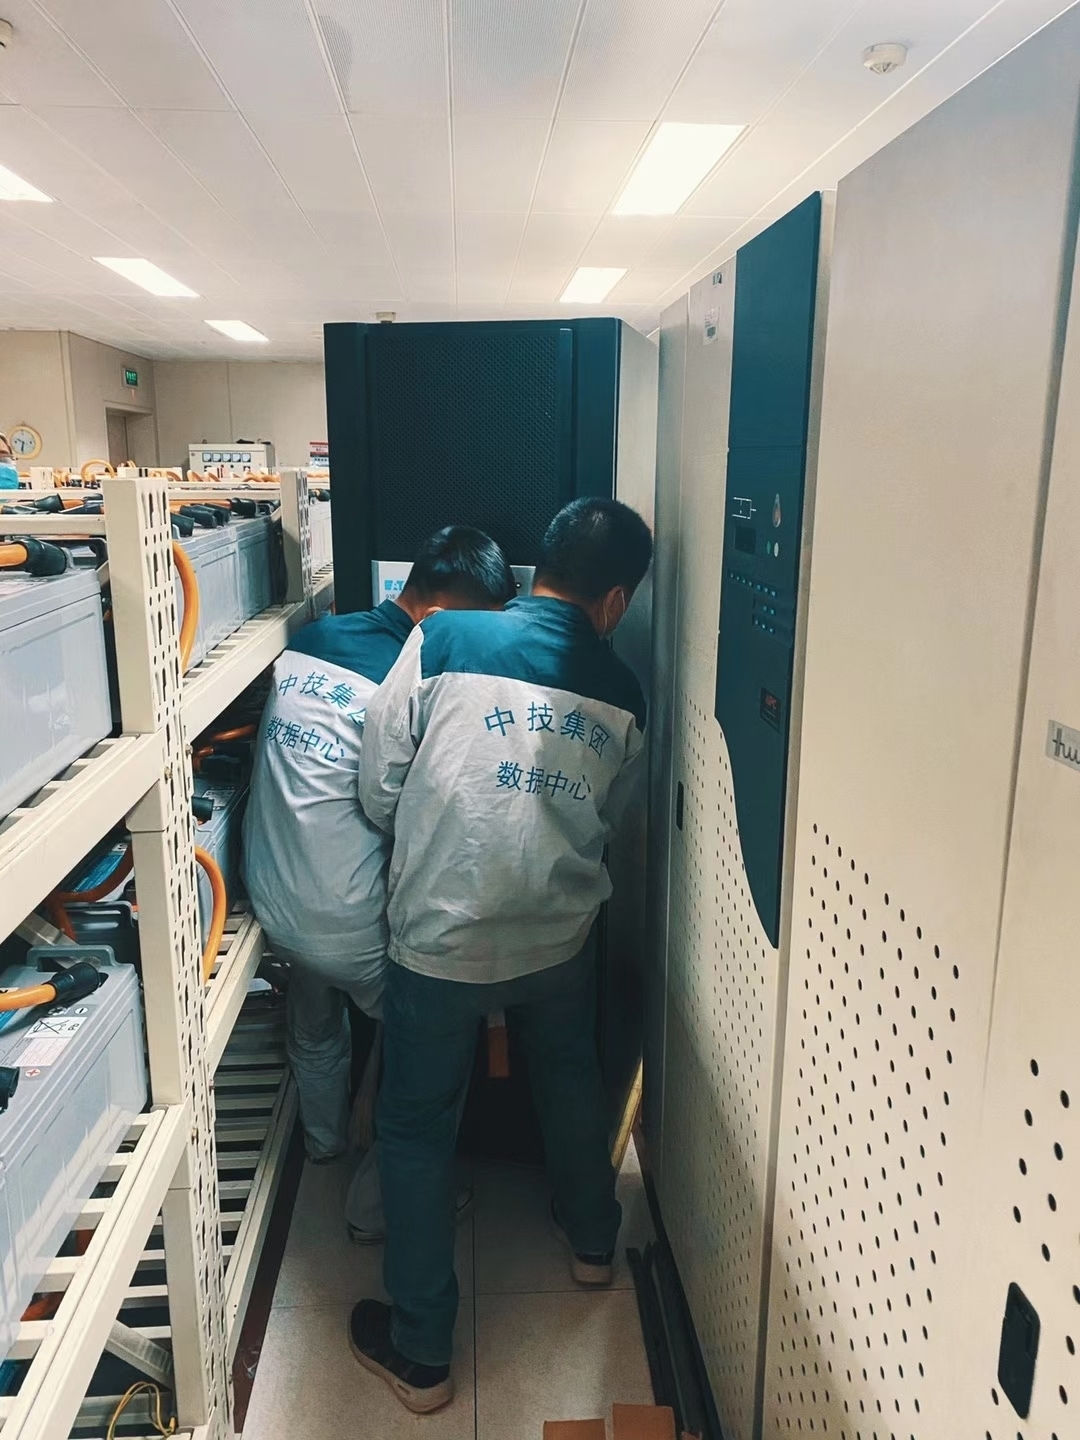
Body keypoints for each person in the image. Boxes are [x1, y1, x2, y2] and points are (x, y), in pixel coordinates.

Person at [351, 496, 652, 1413]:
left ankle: (422, 1354)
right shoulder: (625, 695)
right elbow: (611, 818)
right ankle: (592, 1243)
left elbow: (377, 784)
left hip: (440, 937)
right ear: (615, 601)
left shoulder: (444, 640)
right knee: (569, 1076)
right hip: (557, 939)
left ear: (537, 569)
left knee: (415, 1127)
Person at [241, 525, 516, 1241]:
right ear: (439, 614)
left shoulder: (314, 640)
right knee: (430, 1049)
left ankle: (325, 1144)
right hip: (349, 923)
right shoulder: (412, 678)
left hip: (273, 895)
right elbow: (402, 807)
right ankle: (377, 1208)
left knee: (315, 1023)